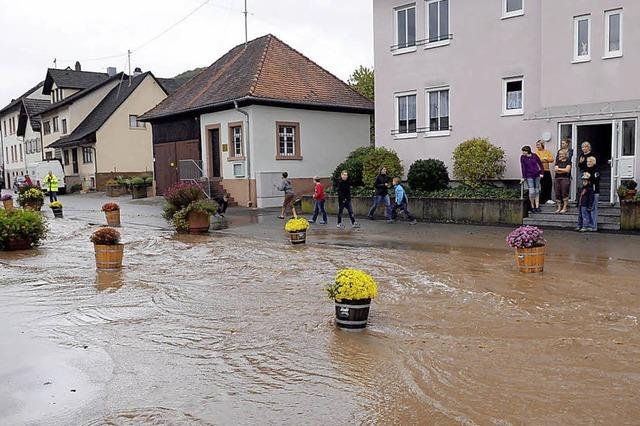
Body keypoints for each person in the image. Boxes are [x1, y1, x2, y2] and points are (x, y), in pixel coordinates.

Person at [520, 146, 544, 213]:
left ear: (528, 151)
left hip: (536, 175)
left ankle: (537, 206)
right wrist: (523, 177)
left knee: (536, 191)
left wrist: (542, 173)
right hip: (529, 176)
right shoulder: (523, 157)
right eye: (523, 151)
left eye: (524, 151)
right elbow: (523, 167)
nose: (523, 152)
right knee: (531, 191)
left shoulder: (534, 156)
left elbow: (540, 164)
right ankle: (532, 206)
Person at [535, 140, 554, 204]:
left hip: (547, 170)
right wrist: (545, 159)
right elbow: (538, 160)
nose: (537, 146)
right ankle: (543, 200)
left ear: (542, 145)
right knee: (543, 185)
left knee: (549, 184)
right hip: (540, 171)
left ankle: (548, 199)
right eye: (536, 145)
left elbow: (551, 159)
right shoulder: (536, 153)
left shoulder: (547, 152)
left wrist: (545, 159)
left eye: (538, 145)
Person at [584, 156, 600, 231]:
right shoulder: (586, 169)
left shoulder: (596, 170)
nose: (588, 163)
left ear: (594, 162)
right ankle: (588, 224)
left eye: (590, 162)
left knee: (593, 208)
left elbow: (597, 180)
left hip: (594, 191)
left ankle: (594, 226)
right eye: (587, 162)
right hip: (587, 191)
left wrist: (589, 177)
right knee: (588, 208)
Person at [553, 149, 572, 214]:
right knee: (557, 193)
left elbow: (567, 170)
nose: (560, 155)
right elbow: (555, 170)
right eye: (559, 154)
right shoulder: (558, 161)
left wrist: (559, 169)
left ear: (565, 154)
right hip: (557, 178)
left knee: (564, 192)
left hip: (565, 178)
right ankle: (559, 207)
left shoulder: (568, 161)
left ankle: (565, 207)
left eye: (561, 154)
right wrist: (562, 170)